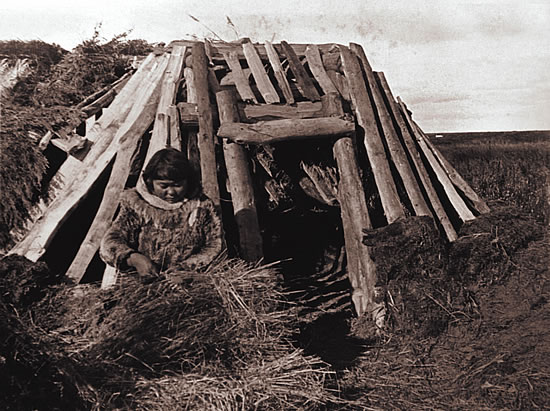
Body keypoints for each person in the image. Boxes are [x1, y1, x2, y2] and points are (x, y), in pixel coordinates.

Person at [100, 148, 223, 282]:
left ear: (188, 181)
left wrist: (186, 268)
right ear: (150, 182)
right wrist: (134, 259)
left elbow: (215, 245)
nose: (171, 192)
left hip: (189, 284)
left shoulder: (201, 206)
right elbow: (110, 242)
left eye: (177, 185)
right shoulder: (137, 205)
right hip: (143, 283)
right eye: (163, 186)